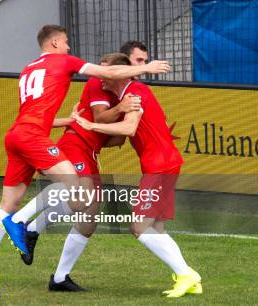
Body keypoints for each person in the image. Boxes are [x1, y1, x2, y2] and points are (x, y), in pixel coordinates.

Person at [0, 25, 171, 298]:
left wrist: (73, 120)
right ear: (54, 43)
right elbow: (103, 101)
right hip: (47, 140)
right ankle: (25, 226)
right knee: (75, 187)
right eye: (65, 43)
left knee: (26, 205)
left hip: (20, 134)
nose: (69, 48)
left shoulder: (29, 68)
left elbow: (37, 114)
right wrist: (148, 69)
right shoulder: (78, 70)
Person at [18, 42, 150, 292]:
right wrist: (119, 112)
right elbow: (100, 118)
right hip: (75, 143)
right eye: (140, 60)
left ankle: (59, 278)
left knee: (88, 219)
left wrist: (115, 127)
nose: (143, 65)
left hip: (89, 150)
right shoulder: (98, 84)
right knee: (82, 197)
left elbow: (117, 138)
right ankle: (28, 226)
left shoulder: (130, 92)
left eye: (145, 60)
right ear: (125, 64)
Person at [73, 53, 202, 298]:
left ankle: (186, 274)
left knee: (139, 227)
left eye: (105, 72)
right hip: (163, 165)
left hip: (160, 167)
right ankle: (188, 279)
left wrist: (91, 126)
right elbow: (122, 135)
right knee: (157, 228)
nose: (101, 77)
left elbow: (128, 128)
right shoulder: (128, 95)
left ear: (119, 73)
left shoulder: (134, 92)